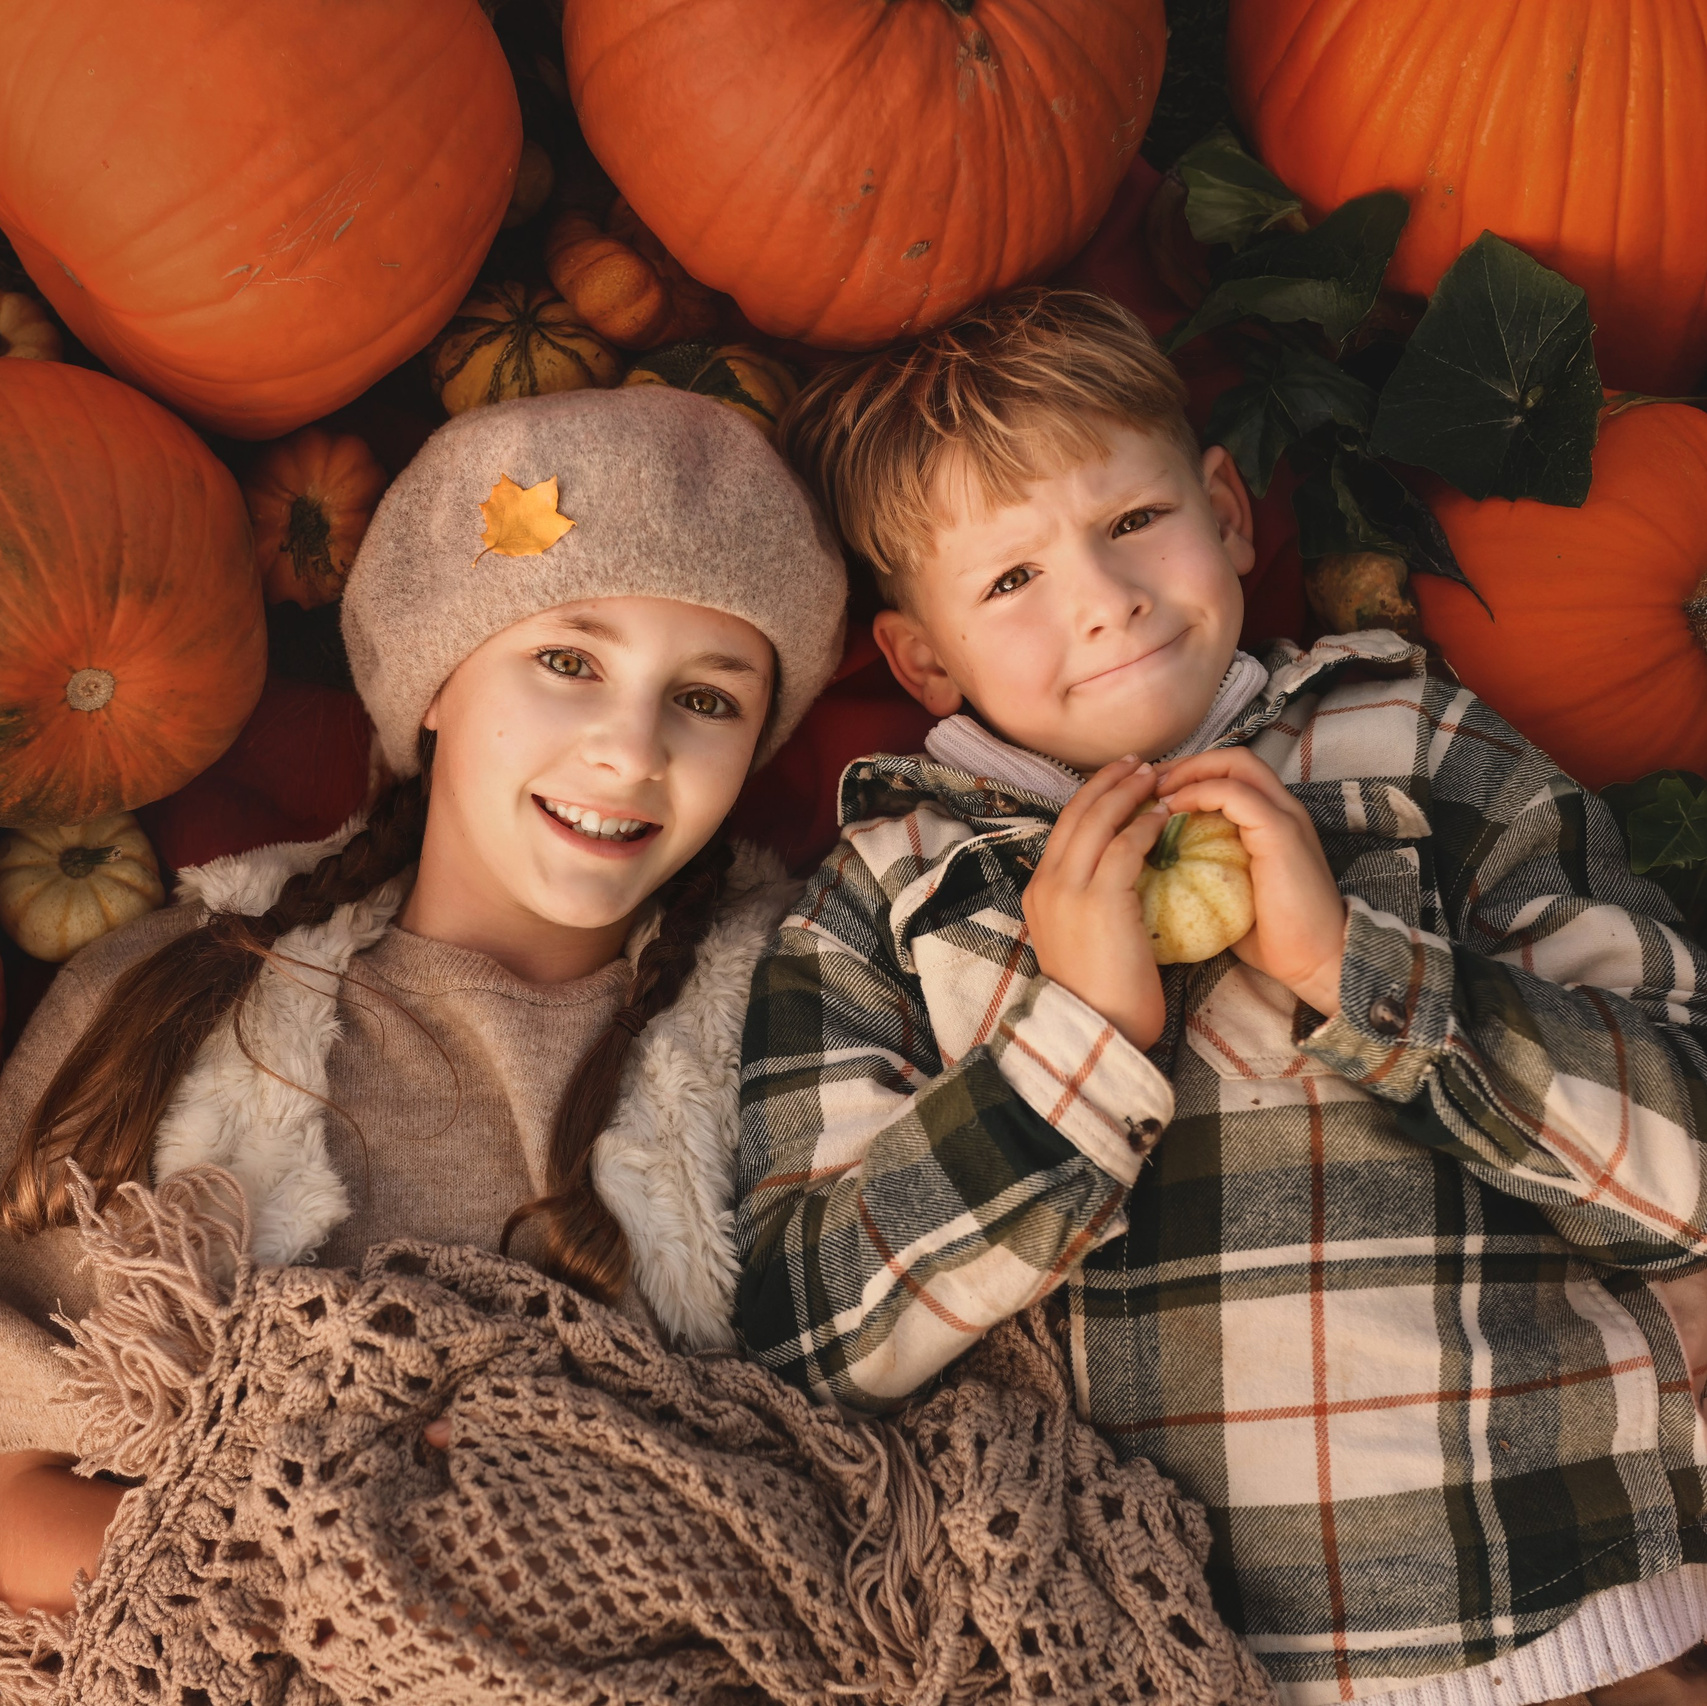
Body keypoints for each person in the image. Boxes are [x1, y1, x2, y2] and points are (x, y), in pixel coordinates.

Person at [735, 288, 1707, 1706]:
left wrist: (1351, 972)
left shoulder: (1421, 750)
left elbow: (1683, 1163)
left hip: (1548, 1605)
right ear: (922, 658)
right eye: (1007, 580)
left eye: (1130, 522)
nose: (1102, 596)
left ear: (1229, 513)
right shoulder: (885, 895)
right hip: (1137, 1649)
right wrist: (1071, 1047)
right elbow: (806, 1338)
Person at [0, 384, 846, 1616]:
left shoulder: (801, 1019)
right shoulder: (173, 1004)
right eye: (568, 660)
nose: (632, 747)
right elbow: (16, 1494)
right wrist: (367, 1560)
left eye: (707, 698)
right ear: (437, 682)